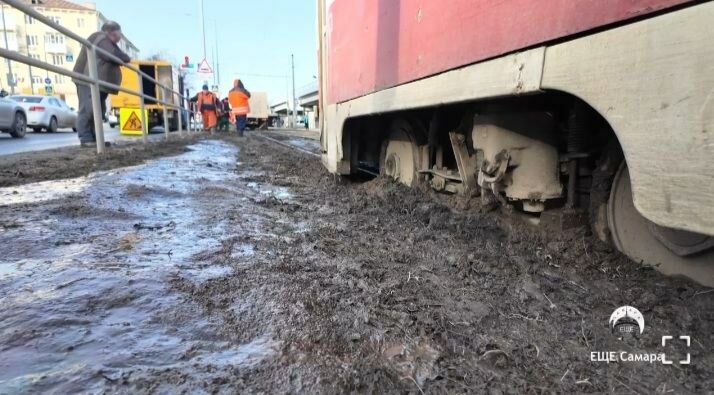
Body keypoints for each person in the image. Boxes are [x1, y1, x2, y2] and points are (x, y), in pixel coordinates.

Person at [72, 21, 130, 148]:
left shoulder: (106, 41)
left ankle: (96, 139)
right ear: (110, 32)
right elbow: (114, 55)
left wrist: (123, 57)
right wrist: (124, 58)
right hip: (87, 79)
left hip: (96, 81)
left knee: (97, 110)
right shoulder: (100, 38)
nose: (118, 40)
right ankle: (86, 138)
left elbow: (121, 55)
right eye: (117, 36)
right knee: (88, 109)